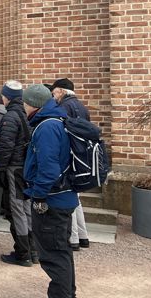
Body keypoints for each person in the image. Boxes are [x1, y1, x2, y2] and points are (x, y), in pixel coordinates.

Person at [22, 84, 79, 297]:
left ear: (31, 104)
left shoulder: (47, 127)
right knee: (61, 252)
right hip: (63, 197)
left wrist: (39, 195)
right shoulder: (56, 121)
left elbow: (49, 167)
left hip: (52, 201)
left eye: (24, 103)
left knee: (54, 256)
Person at [0, 81, 37, 267]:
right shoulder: (23, 113)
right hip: (24, 167)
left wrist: (2, 169)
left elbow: (6, 146)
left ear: (7, 97)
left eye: (3, 95)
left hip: (14, 167)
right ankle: (33, 250)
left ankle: (23, 254)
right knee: (26, 208)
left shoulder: (10, 116)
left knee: (18, 208)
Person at [51, 77, 91, 251]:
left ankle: (73, 238)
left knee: (69, 197)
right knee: (77, 197)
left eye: (54, 93)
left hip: (69, 157)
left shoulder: (63, 107)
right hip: (81, 157)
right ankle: (83, 236)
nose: (53, 97)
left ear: (61, 91)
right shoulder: (82, 107)